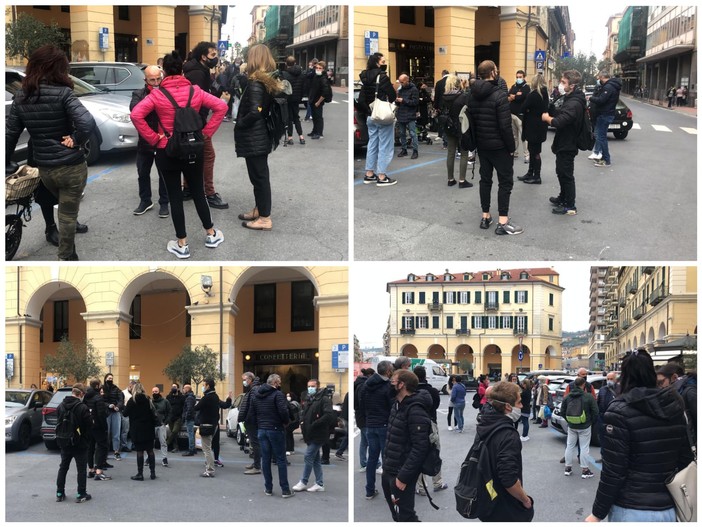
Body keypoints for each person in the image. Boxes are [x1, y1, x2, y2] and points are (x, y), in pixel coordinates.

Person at [131, 51, 226, 259]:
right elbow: (221, 106)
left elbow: (136, 115)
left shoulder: (156, 95)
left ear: (164, 72)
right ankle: (210, 233)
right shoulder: (196, 91)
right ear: (182, 71)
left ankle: (182, 244)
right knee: (198, 191)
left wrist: (154, 138)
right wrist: (206, 134)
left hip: (167, 149)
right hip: (193, 147)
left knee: (174, 196)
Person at [5, 45, 96, 261]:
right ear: (58, 69)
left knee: (56, 201)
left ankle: (60, 229)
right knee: (67, 210)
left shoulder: (21, 97)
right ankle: (66, 255)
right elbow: (87, 122)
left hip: (43, 165)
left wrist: (6, 162)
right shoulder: (64, 93)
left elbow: (10, 134)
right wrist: (76, 140)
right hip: (69, 164)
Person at [586, 351, 694, 522]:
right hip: (669, 507)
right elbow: (685, 458)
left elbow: (614, 471)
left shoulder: (619, 411)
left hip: (631, 508)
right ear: (651, 373)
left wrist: (597, 513)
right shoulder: (674, 405)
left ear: (625, 375)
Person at [468, 60, 523, 236]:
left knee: (485, 180)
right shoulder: (500, 95)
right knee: (505, 182)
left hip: (482, 146)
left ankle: (485, 217)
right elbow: (505, 126)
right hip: (499, 146)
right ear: (492, 73)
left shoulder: (472, 94)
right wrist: (511, 147)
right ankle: (503, 222)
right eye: (496, 70)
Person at [234, 44, 284, 231]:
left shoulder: (256, 83)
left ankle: (264, 218)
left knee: (260, 178)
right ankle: (259, 210)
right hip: (259, 136)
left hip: (254, 136)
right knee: (258, 177)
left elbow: (255, 112)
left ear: (254, 59)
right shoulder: (264, 81)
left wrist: (240, 123)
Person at [472, 381, 534, 521]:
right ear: (507, 406)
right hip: (504, 505)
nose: (522, 406)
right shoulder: (508, 435)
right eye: (518, 402)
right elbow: (508, 479)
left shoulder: (486, 421)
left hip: (487, 496)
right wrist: (525, 500)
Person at [381, 370, 432, 522]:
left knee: (406, 517)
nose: (389, 385)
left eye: (392, 382)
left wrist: (403, 477)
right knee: (397, 514)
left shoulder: (415, 409)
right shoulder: (397, 405)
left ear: (402, 385)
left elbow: (420, 447)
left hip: (401, 473)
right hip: (389, 469)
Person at [182, 41, 228, 209]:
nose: (215, 58)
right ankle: (209, 193)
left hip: (192, 122)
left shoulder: (199, 70)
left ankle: (187, 189)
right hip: (196, 123)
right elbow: (198, 100)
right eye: (212, 55)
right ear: (203, 56)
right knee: (208, 156)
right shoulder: (197, 74)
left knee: (192, 155)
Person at [542, 69, 586, 216]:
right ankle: (563, 197)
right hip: (564, 142)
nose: (560, 84)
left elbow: (560, 122)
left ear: (572, 85)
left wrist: (547, 118)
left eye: (563, 82)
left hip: (568, 143)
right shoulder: (570, 98)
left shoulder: (574, 103)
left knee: (566, 174)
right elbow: (563, 114)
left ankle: (570, 205)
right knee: (560, 171)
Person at [130, 65, 169, 217]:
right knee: (143, 172)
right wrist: (152, 98)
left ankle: (164, 203)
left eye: (158, 79)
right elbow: (134, 109)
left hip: (162, 140)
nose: (156, 82)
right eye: (152, 80)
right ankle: (145, 200)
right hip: (145, 141)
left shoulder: (166, 92)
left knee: (164, 174)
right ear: (145, 80)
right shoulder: (139, 94)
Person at [249, 374, 294, 498]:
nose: (280, 384)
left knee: (266, 459)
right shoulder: (278, 395)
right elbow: (283, 411)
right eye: (279, 382)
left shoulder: (256, 395)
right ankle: (285, 490)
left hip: (262, 429)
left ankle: (268, 488)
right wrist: (285, 422)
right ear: (274, 382)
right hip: (275, 428)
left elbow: (252, 413)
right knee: (280, 459)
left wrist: (258, 425)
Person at [358, 52, 398, 186]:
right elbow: (392, 96)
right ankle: (381, 176)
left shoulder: (364, 77)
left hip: (371, 115)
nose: (385, 63)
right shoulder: (382, 77)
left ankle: (369, 174)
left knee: (372, 144)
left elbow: (361, 99)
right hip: (382, 115)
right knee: (385, 145)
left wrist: (369, 111)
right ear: (377, 63)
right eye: (383, 61)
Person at [358, 360, 394, 500]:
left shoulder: (366, 385)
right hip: (383, 425)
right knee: (387, 460)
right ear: (388, 371)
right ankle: (389, 491)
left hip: (370, 425)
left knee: (372, 459)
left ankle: (370, 490)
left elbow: (361, 405)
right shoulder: (387, 386)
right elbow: (391, 406)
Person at [292, 380, 335, 492]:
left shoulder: (324, 399)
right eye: (309, 386)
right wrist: (302, 422)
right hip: (310, 433)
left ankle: (303, 481)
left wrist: (315, 424)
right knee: (315, 460)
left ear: (318, 387)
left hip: (318, 433)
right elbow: (305, 414)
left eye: (313, 386)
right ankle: (319, 483)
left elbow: (329, 415)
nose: (310, 388)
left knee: (308, 456)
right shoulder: (309, 399)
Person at [55, 383, 93, 503]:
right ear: (81, 393)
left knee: (63, 467)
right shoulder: (82, 407)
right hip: (80, 443)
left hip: (64, 441)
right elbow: (89, 426)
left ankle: (59, 492)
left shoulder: (60, 406)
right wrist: (86, 439)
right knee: (81, 469)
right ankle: (81, 493)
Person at [414, 366, 448, 495]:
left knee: (418, 454)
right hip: (432, 424)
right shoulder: (433, 391)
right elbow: (436, 405)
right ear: (425, 376)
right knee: (434, 452)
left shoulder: (412, 391)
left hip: (416, 426)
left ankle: (421, 487)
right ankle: (437, 482)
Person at [560, 376, 598, 479]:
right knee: (584, 447)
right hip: (585, 426)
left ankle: (567, 468)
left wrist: (569, 421)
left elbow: (562, 411)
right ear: (583, 385)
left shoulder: (567, 397)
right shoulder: (588, 396)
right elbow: (595, 412)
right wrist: (590, 422)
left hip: (572, 425)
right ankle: (585, 470)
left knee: (569, 446)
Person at [194, 378, 232, 477]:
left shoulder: (207, 397)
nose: (202, 386)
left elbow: (196, 408)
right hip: (214, 425)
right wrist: (229, 398)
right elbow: (225, 405)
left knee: (206, 449)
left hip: (206, 425)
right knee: (209, 447)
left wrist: (192, 404)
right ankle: (210, 463)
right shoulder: (215, 396)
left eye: (203, 385)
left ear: (208, 386)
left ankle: (210, 470)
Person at [442, 75, 474, 188]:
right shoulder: (462, 96)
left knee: (450, 152)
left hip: (449, 126)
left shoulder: (444, 96)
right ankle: (462, 180)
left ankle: (450, 179)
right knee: (464, 153)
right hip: (461, 126)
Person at [517, 73, 549, 185]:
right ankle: (531, 173)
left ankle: (536, 176)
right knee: (534, 151)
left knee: (534, 152)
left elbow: (523, 108)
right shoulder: (545, 94)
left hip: (532, 127)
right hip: (540, 127)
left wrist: (528, 110)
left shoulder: (534, 94)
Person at [123, 382, 157, 481]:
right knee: (150, 450)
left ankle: (140, 473)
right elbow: (152, 414)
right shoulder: (148, 399)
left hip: (137, 429)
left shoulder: (132, 400)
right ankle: (152, 473)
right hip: (148, 428)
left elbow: (125, 414)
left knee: (140, 451)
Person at [657, 362, 696, 445]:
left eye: (661, 382)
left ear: (674, 377)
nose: (660, 387)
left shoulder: (689, 392)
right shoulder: (678, 392)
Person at [588, 72, 621, 168]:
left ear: (602, 77)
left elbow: (601, 100)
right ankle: (602, 157)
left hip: (604, 114)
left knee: (601, 137)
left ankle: (606, 160)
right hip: (607, 114)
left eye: (599, 78)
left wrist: (591, 98)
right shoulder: (612, 86)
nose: (599, 80)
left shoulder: (608, 87)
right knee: (599, 135)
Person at [83, 379, 111, 482]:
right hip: (98, 427)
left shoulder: (86, 396)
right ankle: (99, 471)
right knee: (102, 447)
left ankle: (91, 470)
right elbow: (101, 415)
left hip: (89, 426)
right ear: (97, 386)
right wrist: (104, 427)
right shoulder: (98, 398)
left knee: (90, 448)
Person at [238, 372, 262, 474]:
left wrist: (248, 418)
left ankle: (257, 467)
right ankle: (256, 463)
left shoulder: (254, 389)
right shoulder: (253, 389)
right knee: (254, 443)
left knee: (255, 443)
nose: (244, 382)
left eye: (244, 379)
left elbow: (253, 406)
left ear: (250, 379)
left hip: (252, 421)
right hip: (251, 420)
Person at [281, 56, 305, 145]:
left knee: (289, 118)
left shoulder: (285, 74)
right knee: (296, 117)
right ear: (295, 63)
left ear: (286, 64)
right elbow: (303, 87)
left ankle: (290, 137)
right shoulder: (301, 73)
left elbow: (282, 87)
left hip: (288, 98)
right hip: (297, 98)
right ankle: (301, 137)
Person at [354, 368, 375, 471]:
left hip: (361, 417)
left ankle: (364, 463)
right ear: (370, 375)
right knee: (370, 442)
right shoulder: (363, 386)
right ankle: (376, 464)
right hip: (364, 418)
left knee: (364, 442)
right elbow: (362, 404)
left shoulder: (359, 384)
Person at [507, 69, 530, 163]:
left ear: (524, 77)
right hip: (512, 114)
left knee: (523, 136)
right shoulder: (513, 86)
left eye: (520, 77)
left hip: (521, 115)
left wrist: (514, 96)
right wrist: (515, 96)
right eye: (517, 77)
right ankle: (515, 152)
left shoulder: (526, 87)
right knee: (514, 136)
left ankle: (526, 155)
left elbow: (522, 97)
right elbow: (508, 96)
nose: (518, 79)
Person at [395, 74, 419, 159]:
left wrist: (403, 100)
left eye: (402, 82)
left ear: (407, 80)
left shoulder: (414, 89)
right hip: (401, 113)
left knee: (413, 133)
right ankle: (404, 149)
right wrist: (397, 100)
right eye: (400, 82)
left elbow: (415, 102)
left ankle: (415, 151)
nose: (401, 83)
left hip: (410, 114)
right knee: (402, 133)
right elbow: (398, 103)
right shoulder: (400, 90)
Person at [595, 372, 619, 459]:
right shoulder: (602, 389)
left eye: (611, 379)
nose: (609, 381)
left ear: (615, 380)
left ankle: (613, 457)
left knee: (614, 438)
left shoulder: (620, 389)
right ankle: (603, 456)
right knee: (602, 438)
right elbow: (598, 403)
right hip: (602, 418)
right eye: (608, 379)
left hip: (614, 418)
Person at [102, 373, 124, 460]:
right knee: (106, 433)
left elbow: (121, 400)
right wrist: (108, 405)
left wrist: (118, 406)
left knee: (116, 433)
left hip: (115, 412)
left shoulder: (117, 389)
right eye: (109, 378)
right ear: (105, 379)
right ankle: (105, 452)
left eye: (111, 378)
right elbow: (101, 401)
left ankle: (116, 451)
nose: (110, 379)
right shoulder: (102, 388)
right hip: (106, 412)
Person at [308, 60, 330, 140]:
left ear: (323, 69)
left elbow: (325, 92)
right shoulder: (316, 76)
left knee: (318, 117)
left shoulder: (323, 78)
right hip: (313, 99)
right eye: (316, 68)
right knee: (314, 116)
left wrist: (318, 101)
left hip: (318, 101)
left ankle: (319, 133)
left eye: (320, 68)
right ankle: (314, 131)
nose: (318, 69)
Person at [150, 386, 171, 467]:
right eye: (153, 391)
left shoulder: (165, 401)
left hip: (161, 425)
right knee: (150, 443)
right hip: (152, 425)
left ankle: (164, 458)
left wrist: (165, 422)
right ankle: (149, 457)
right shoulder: (150, 402)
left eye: (156, 391)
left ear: (159, 392)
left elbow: (169, 412)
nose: (154, 393)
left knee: (163, 442)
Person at [433, 69, 450, 148]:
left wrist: (436, 107)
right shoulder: (452, 82)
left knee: (444, 124)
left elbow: (437, 96)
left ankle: (445, 142)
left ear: (442, 74)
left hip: (442, 106)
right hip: (452, 105)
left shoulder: (439, 83)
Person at [165, 383, 184, 453]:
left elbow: (184, 406)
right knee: (173, 433)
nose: (173, 388)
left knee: (174, 431)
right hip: (170, 418)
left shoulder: (181, 397)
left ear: (178, 388)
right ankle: (175, 447)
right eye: (172, 387)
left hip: (178, 418)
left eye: (175, 387)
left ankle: (166, 443)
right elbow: (166, 406)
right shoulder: (168, 397)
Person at [180, 384, 197, 456]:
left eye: (184, 388)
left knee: (190, 434)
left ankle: (191, 450)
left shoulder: (189, 398)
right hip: (190, 418)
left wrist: (186, 417)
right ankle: (193, 448)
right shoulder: (190, 397)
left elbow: (189, 409)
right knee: (191, 434)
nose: (183, 390)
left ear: (187, 389)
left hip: (189, 418)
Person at [120, 380, 135, 453]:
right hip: (126, 414)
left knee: (133, 430)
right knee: (125, 430)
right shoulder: (123, 393)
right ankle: (124, 445)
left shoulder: (135, 393)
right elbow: (121, 403)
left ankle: (133, 444)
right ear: (130, 385)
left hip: (133, 414)